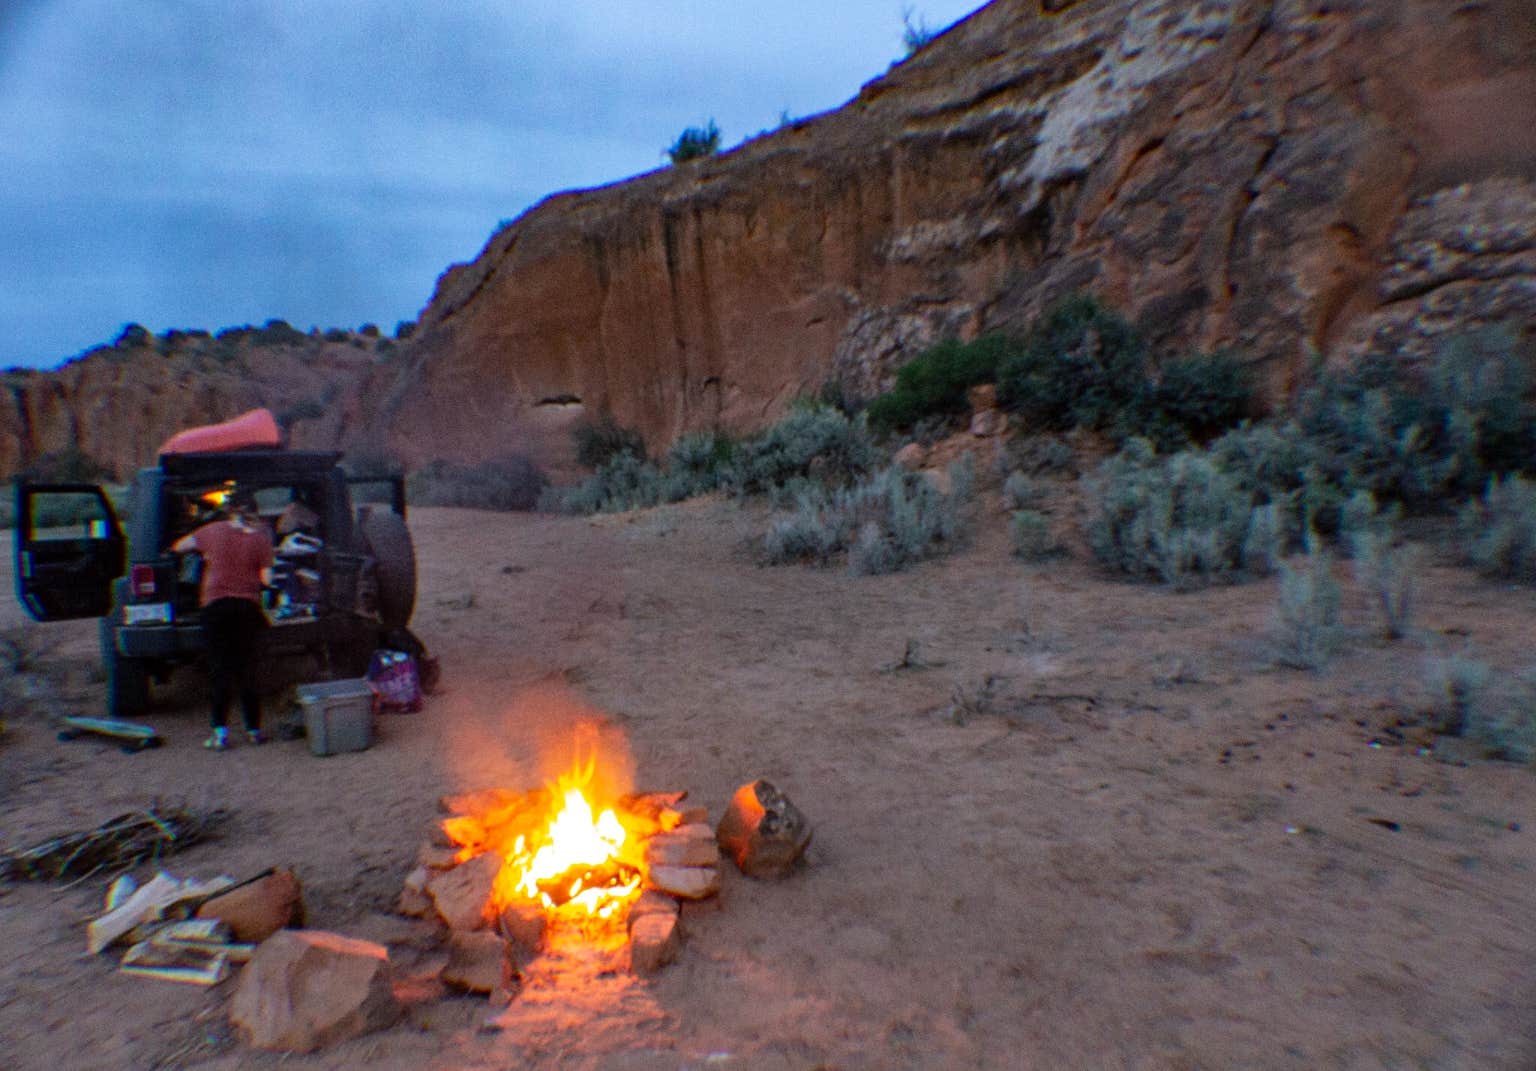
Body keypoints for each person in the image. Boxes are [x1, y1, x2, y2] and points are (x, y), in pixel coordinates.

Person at [172, 490, 274, 750]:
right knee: (248, 670)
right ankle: (254, 731)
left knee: (220, 669)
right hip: (247, 608)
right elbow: (267, 581)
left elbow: (179, 547)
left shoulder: (212, 530)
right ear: (253, 512)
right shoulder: (261, 538)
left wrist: (205, 556)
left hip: (215, 608)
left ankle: (220, 734)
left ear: (231, 510)